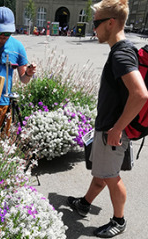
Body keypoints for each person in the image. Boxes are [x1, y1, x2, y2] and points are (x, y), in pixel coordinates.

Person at [67, 0, 148, 238]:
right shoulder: (125, 49)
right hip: (108, 128)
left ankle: (119, 220)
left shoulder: (121, 54)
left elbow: (141, 94)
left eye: (96, 23)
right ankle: (84, 203)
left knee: (111, 177)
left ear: (110, 23)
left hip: (113, 132)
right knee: (101, 173)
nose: (93, 28)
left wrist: (117, 129)